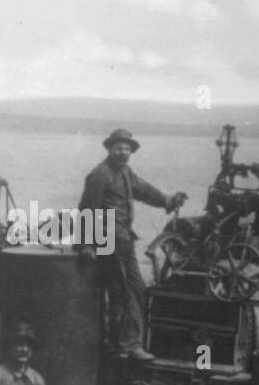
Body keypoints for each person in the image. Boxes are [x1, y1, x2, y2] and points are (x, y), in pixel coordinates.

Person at [78, 128, 187, 361]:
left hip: (123, 240)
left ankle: (123, 343)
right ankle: (127, 345)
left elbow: (144, 190)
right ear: (109, 149)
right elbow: (87, 210)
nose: (123, 152)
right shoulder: (99, 175)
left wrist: (167, 200)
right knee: (126, 290)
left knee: (131, 289)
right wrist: (86, 245)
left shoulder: (125, 172)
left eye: (127, 149)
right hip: (108, 240)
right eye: (119, 148)